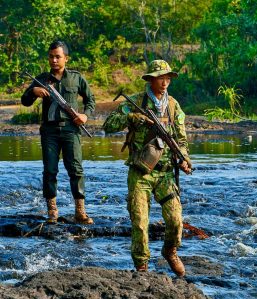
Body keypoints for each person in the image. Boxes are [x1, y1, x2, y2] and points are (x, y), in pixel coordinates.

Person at [103, 60, 192, 276]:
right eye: (161, 77)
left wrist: (184, 158)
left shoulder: (173, 105)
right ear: (151, 79)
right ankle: (141, 268)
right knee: (140, 223)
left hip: (165, 173)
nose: (165, 82)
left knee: (175, 219)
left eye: (168, 78)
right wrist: (132, 118)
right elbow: (108, 126)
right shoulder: (135, 102)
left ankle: (170, 251)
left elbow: (181, 139)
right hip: (141, 172)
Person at [21, 40, 95, 224]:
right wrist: (33, 91)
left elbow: (90, 101)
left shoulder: (76, 78)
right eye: (51, 57)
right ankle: (52, 211)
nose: (54, 60)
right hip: (49, 131)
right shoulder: (41, 79)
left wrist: (85, 116)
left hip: (71, 129)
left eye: (58, 57)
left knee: (76, 169)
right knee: (50, 170)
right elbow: (25, 101)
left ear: (66, 58)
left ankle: (80, 211)